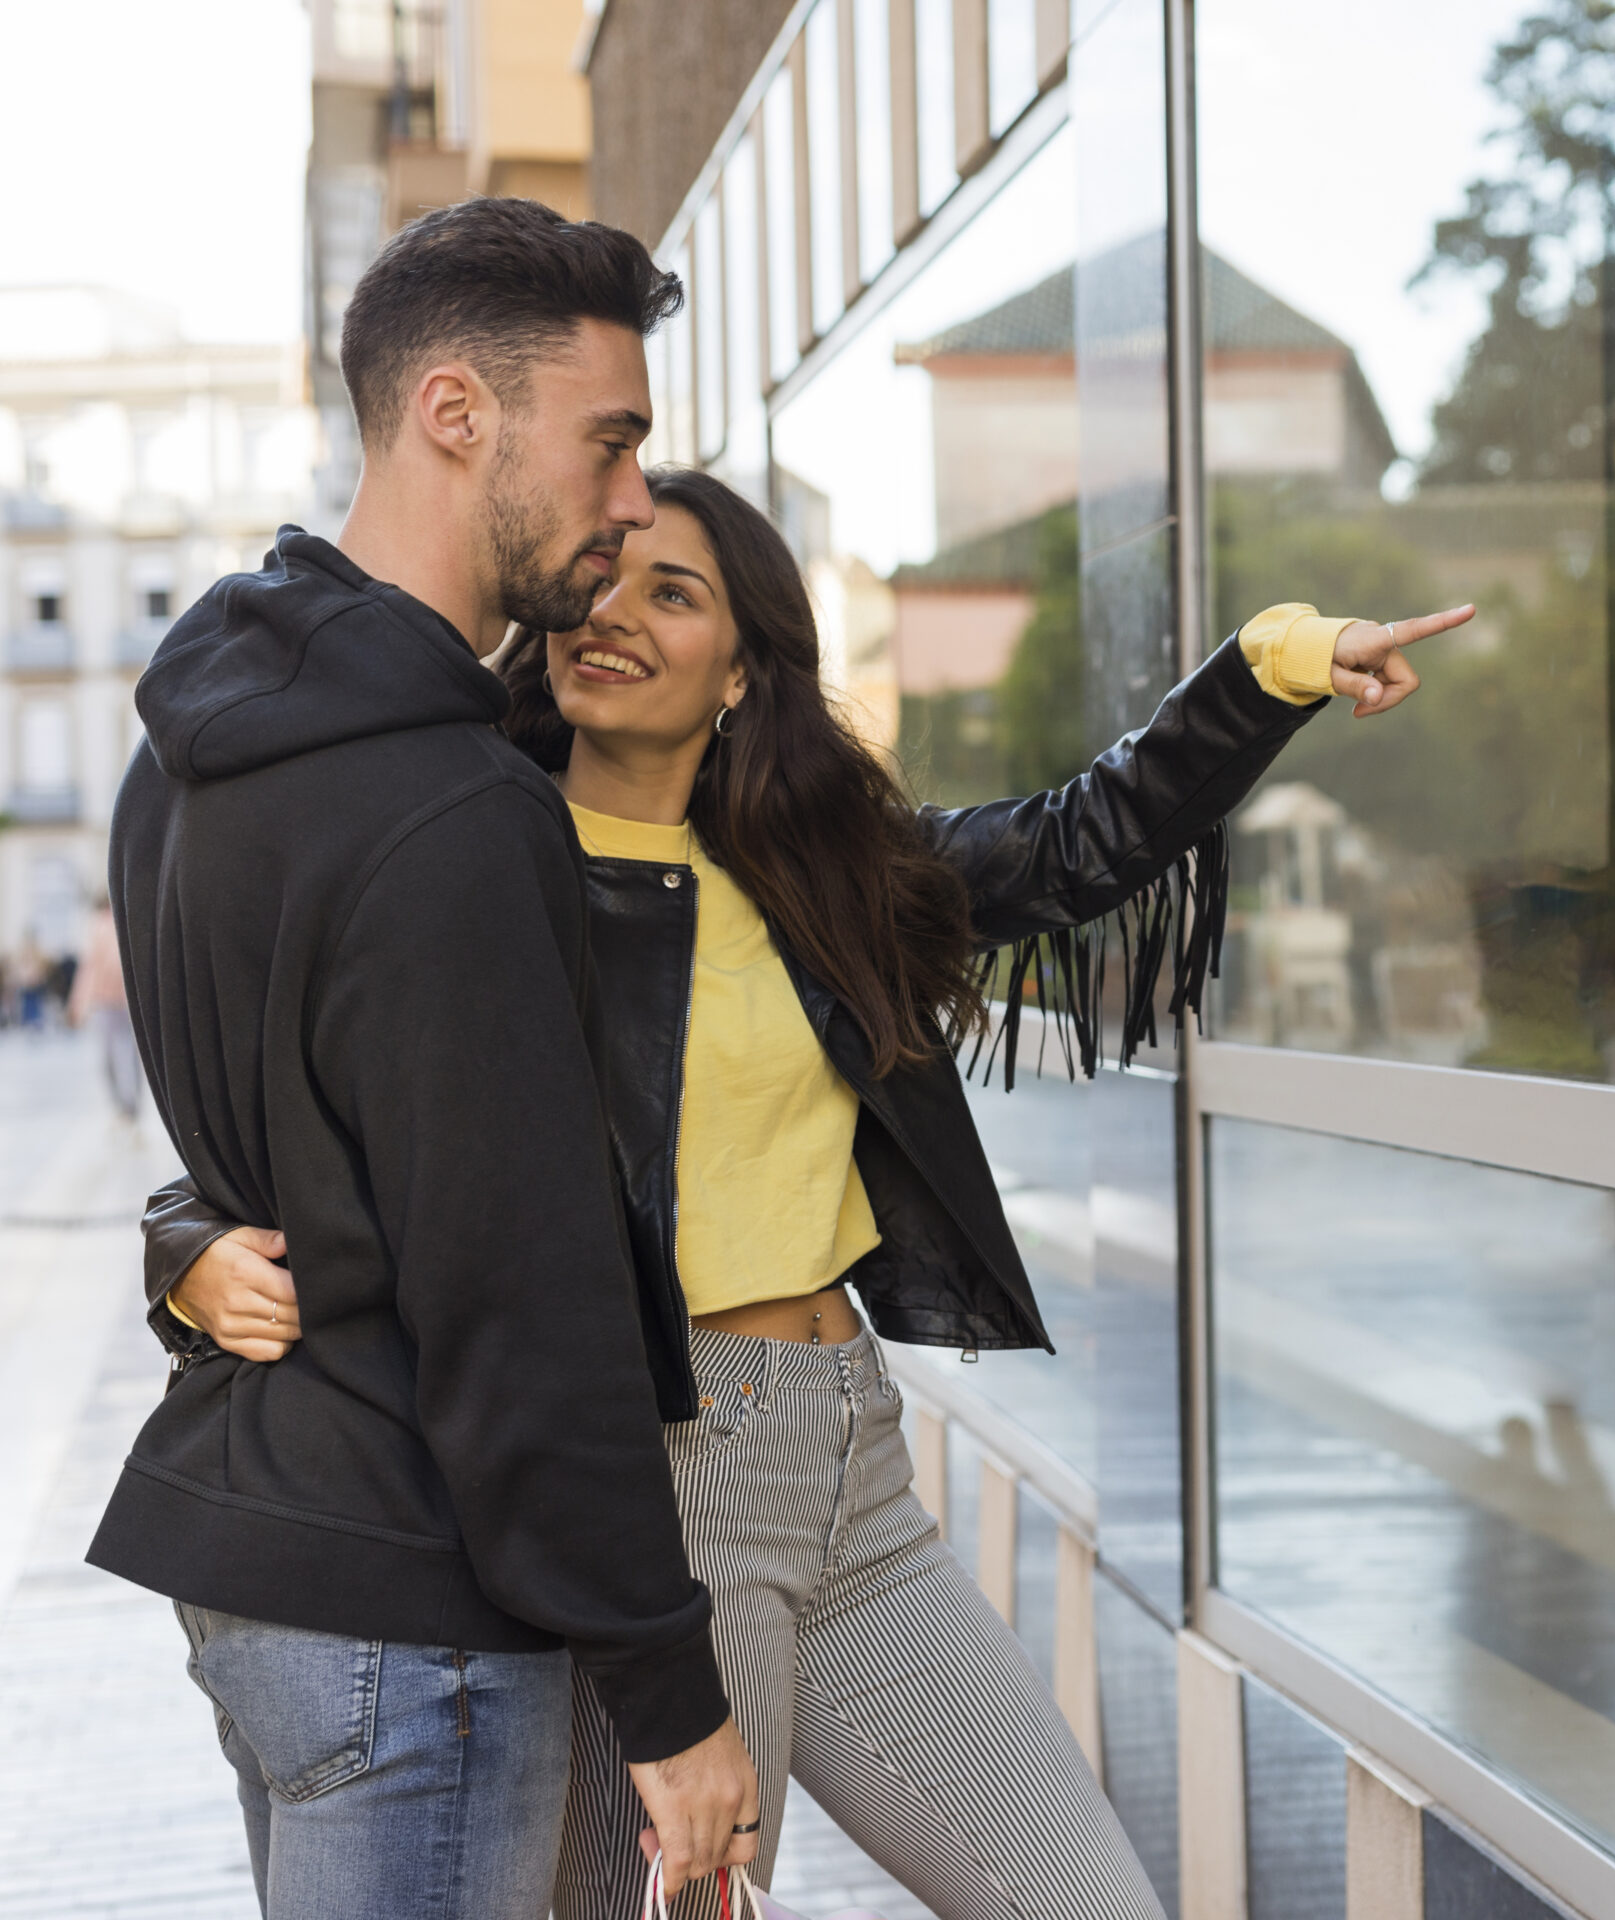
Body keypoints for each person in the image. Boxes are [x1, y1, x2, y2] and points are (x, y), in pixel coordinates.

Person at [159, 462, 1470, 1917]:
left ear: (743, 665)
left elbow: (1080, 840)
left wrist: (1276, 663)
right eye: (602, 579)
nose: (616, 613)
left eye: (677, 591)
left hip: (856, 1471)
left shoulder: (813, 869)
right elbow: (320, 1103)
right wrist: (188, 1238)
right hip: (666, 1470)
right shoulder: (482, 856)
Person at [90, 199, 758, 1920]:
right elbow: (522, 1297)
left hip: (262, 1570)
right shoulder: (458, 813)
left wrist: (182, 1249)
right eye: (610, 443)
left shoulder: (187, 754)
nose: (630, 498)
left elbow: (279, 1148)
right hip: (415, 1618)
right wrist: (675, 1709)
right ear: (456, 413)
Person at [65, 897, 140, 1121]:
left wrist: (78, 1005)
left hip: (117, 1002)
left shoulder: (111, 926)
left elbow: (90, 969)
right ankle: (126, 1104)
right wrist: (78, 1004)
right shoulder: (109, 926)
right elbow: (91, 969)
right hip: (115, 1001)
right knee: (119, 1055)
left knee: (121, 1056)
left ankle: (128, 1103)